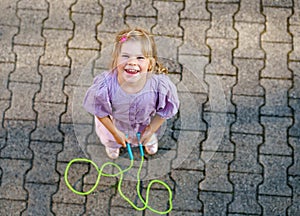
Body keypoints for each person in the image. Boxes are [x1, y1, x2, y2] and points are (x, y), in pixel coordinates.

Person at [83, 27, 180, 159]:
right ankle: (112, 144)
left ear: (150, 64)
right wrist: (116, 133)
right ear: (116, 59)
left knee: (146, 136)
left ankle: (148, 138)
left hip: (144, 125)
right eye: (125, 56)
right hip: (115, 125)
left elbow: (165, 110)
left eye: (140, 57)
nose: (132, 62)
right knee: (111, 139)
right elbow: (100, 112)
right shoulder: (105, 86)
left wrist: (151, 129)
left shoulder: (159, 86)